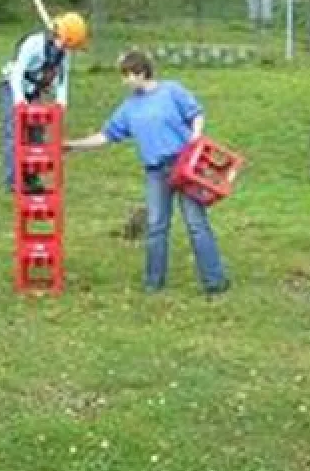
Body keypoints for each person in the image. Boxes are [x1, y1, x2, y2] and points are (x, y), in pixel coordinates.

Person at [64, 50, 230, 297]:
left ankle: (214, 281)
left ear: (141, 73)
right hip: (156, 173)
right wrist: (73, 145)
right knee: (156, 226)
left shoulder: (172, 91)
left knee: (196, 224)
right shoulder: (129, 107)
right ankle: (154, 283)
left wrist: (195, 140)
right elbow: (106, 135)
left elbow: (196, 114)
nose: (124, 81)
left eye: (126, 75)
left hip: (185, 168)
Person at [0, 12, 88, 192]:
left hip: (34, 90)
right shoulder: (34, 44)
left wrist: (61, 102)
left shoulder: (63, 54)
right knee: (15, 132)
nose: (70, 50)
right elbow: (17, 72)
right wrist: (19, 100)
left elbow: (62, 79)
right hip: (13, 86)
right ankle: (14, 180)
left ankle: (32, 178)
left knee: (37, 133)